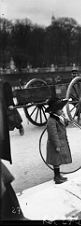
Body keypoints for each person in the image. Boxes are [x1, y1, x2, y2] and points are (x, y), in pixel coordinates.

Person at [1, 80, 27, 220]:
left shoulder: (4, 83)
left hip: (7, 106)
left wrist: (10, 104)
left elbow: (8, 95)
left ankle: (19, 126)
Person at [45, 97, 72, 184]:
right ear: (54, 111)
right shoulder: (51, 121)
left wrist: (66, 120)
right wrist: (57, 145)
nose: (62, 111)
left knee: (58, 160)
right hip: (55, 144)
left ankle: (58, 175)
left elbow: (63, 126)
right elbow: (53, 134)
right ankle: (57, 177)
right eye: (60, 109)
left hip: (61, 142)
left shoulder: (59, 118)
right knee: (56, 161)